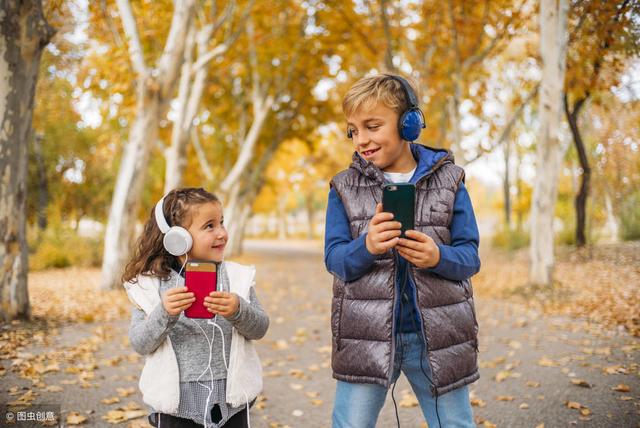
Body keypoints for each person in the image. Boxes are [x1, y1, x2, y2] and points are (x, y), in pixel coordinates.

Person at [324, 74, 481, 427]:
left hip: (438, 338)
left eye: (372, 126)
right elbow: (335, 260)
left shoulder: (450, 180)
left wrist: (438, 257)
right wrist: (366, 246)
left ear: (409, 124)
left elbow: (470, 257)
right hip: (365, 337)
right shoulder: (343, 187)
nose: (361, 139)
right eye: (353, 130)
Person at [122, 187, 269, 428]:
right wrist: (164, 313)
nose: (222, 233)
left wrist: (238, 310)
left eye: (221, 222)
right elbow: (140, 342)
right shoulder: (151, 285)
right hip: (175, 406)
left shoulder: (236, 276)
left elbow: (260, 328)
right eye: (209, 226)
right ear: (177, 238)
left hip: (231, 402)